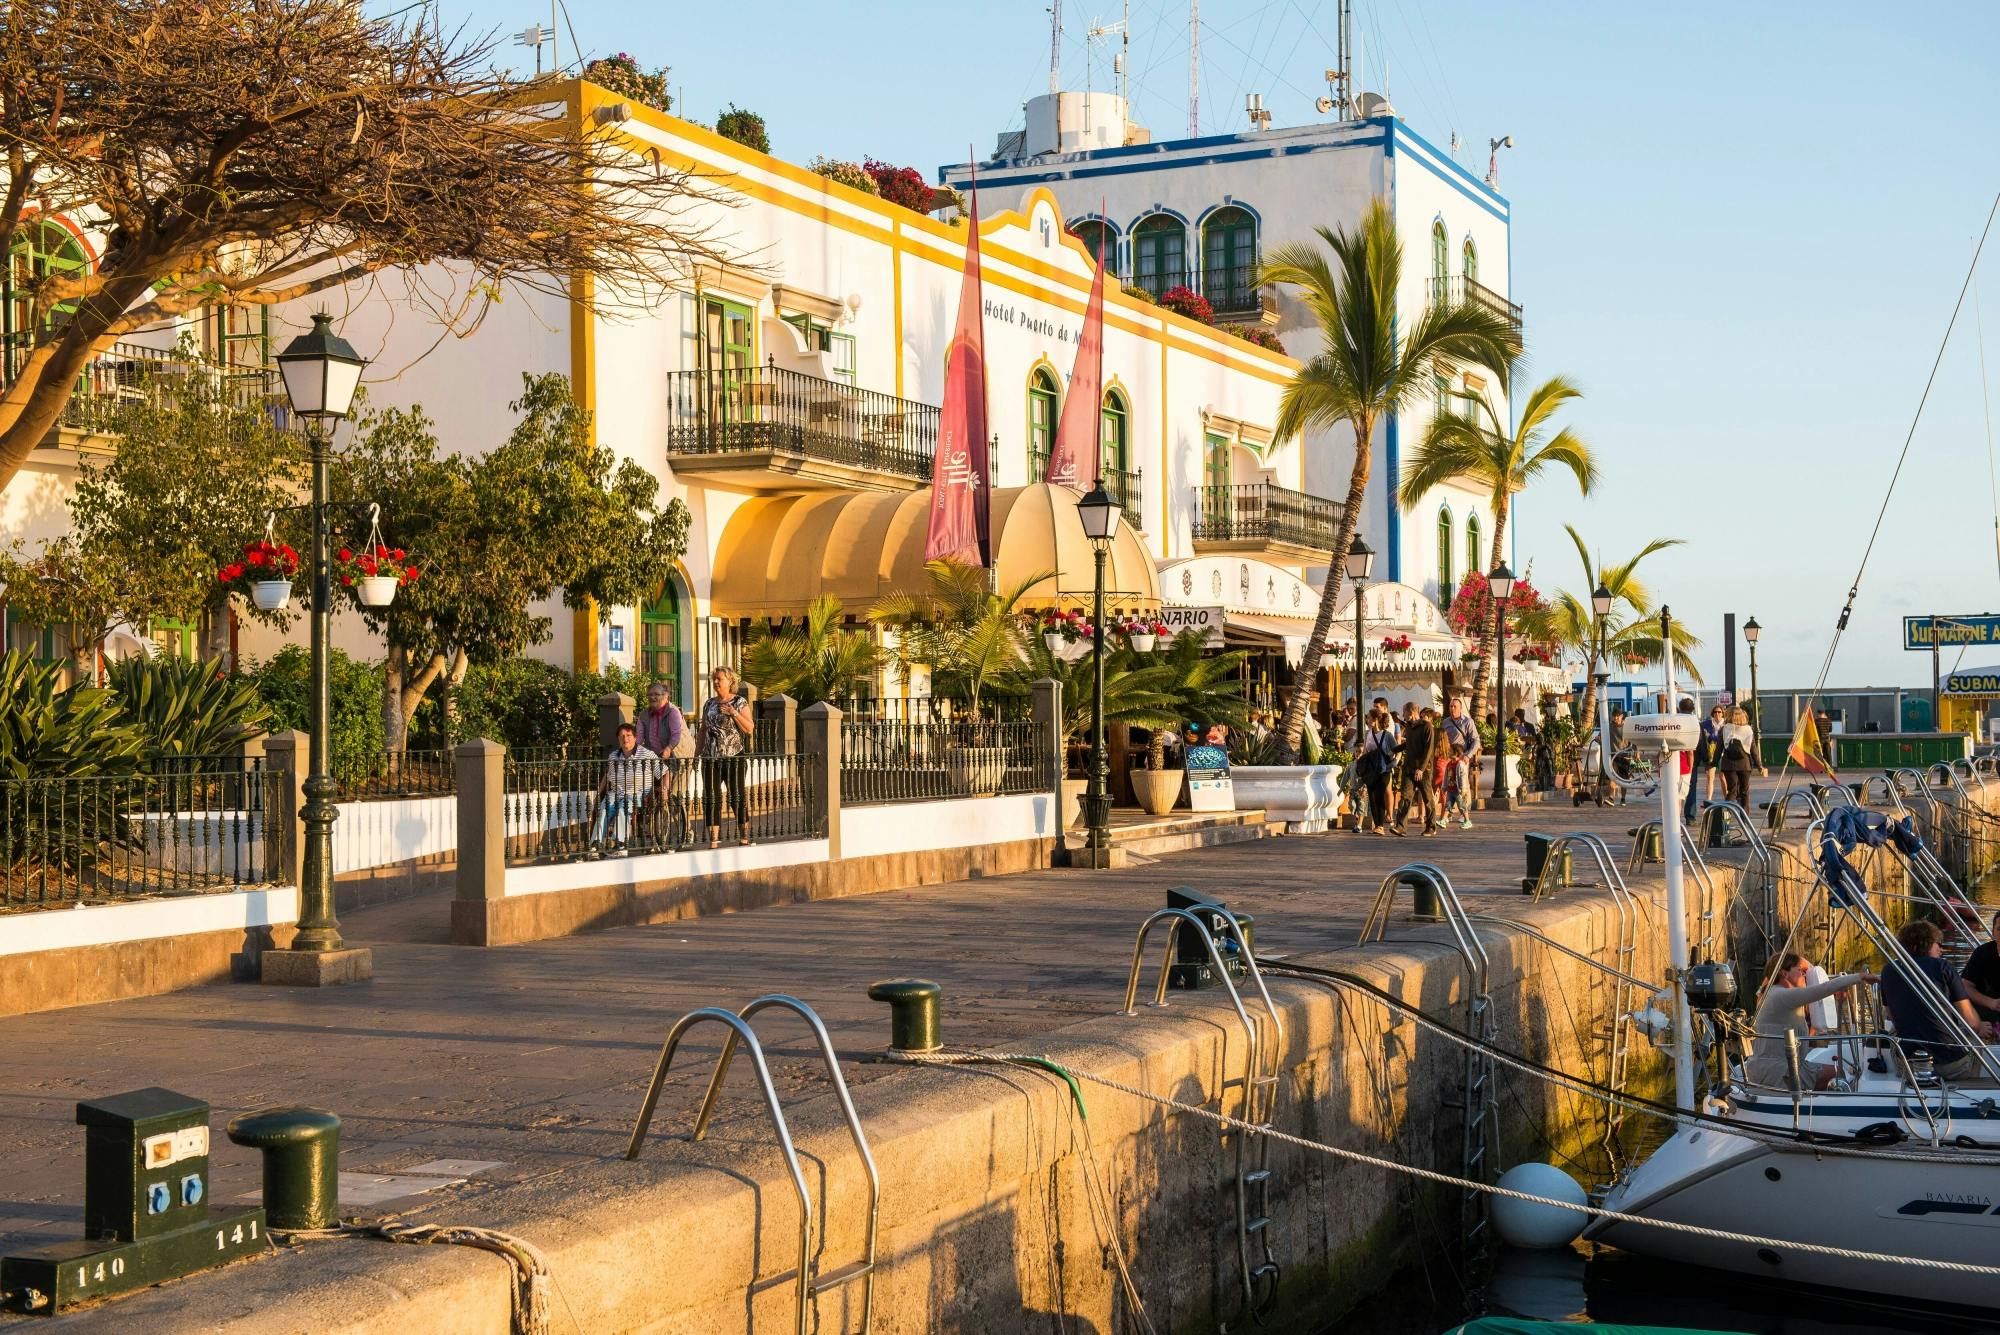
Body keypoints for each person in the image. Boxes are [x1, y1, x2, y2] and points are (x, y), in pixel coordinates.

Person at [1879, 919, 1996, 1081]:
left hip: (1907, 1064)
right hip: (1948, 1065)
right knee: (1979, 1041)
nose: (1941, 949)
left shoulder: (1888, 970)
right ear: (1928, 944)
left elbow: (1892, 1016)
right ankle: (1970, 1086)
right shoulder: (1943, 967)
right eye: (1939, 944)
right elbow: (1972, 1023)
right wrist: (1980, 1026)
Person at [1742, 953, 1875, 1088]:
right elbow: (1824, 988)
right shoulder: (1782, 995)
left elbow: (1809, 970)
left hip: (1771, 1068)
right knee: (1837, 1074)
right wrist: (1861, 977)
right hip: (1779, 1072)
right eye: (1800, 970)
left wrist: (1811, 970)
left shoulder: (1770, 993)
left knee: (1835, 1072)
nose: (1804, 975)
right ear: (1784, 973)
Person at [698, 665, 756, 847]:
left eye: (719, 679)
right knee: (711, 797)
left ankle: (744, 836)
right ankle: (713, 839)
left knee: (736, 796)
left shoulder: (739, 702)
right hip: (710, 758)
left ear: (730, 681)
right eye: (714, 679)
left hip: (733, 757)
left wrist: (733, 713)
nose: (715, 682)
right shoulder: (709, 704)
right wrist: (696, 754)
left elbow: (749, 728)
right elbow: (703, 730)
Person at [588, 723, 660, 857]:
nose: (625, 739)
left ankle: (621, 845)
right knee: (603, 809)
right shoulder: (613, 756)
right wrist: (598, 794)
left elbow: (664, 771)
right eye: (621, 736)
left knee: (623, 808)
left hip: (638, 793)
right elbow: (607, 776)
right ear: (618, 740)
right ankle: (596, 845)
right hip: (615, 793)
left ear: (635, 737)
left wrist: (665, 788)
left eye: (628, 735)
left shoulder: (647, 754)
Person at [1392, 706, 1439, 836]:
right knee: (1405, 797)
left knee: (1427, 797)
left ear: (1412, 712)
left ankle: (1431, 826)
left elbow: (1428, 749)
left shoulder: (1427, 726)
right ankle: (1400, 827)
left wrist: (1421, 769)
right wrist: (1393, 750)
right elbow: (1408, 744)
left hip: (1423, 770)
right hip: (1409, 767)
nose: (1403, 715)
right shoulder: (1409, 727)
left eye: (1405, 713)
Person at [1355, 706, 1397, 834]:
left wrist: (1394, 763)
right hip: (1371, 771)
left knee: (1379, 796)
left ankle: (1380, 825)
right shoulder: (1368, 734)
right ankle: (1377, 825)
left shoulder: (1387, 735)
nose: (1366, 720)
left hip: (1384, 769)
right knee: (1372, 797)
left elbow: (1396, 750)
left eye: (1368, 717)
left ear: (1374, 720)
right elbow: (1366, 751)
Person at [1440, 696, 1479, 830]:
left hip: (1462, 757)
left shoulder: (1468, 722)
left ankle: (1464, 813)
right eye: (1450, 706)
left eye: (1454, 706)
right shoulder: (1445, 722)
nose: (1452, 709)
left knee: (1463, 786)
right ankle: (1448, 813)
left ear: (1460, 708)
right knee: (1450, 785)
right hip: (1448, 758)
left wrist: (1468, 755)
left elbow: (1476, 740)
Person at [1962, 910, 2000, 1024]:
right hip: (1987, 1008)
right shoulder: (1982, 953)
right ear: (1993, 932)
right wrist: (1991, 1003)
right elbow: (1965, 986)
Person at [1717, 706, 1756, 811]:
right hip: (1745, 764)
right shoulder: (1748, 730)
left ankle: (1725, 816)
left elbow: (1719, 749)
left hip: (1728, 764)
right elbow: (1753, 750)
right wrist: (1759, 765)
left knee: (1732, 791)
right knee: (1744, 792)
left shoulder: (1724, 729)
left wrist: (1713, 763)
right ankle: (1744, 818)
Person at [1677, 698, 1702, 821]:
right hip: (1688, 763)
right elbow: (1699, 743)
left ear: (1679, 708)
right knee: (1688, 790)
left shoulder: (1674, 721)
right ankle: (1690, 816)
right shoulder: (1694, 722)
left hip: (1673, 763)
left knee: (1673, 793)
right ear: (1692, 709)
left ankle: (1673, 819)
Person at [1702, 705, 1726, 802]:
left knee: (1722, 777)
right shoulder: (1706, 724)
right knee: (1710, 777)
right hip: (1711, 754)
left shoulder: (1726, 724)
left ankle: (1727, 798)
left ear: (1722, 713)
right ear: (1712, 713)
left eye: (1719, 712)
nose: (1717, 714)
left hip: (1723, 754)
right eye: (1715, 712)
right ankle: (1708, 800)